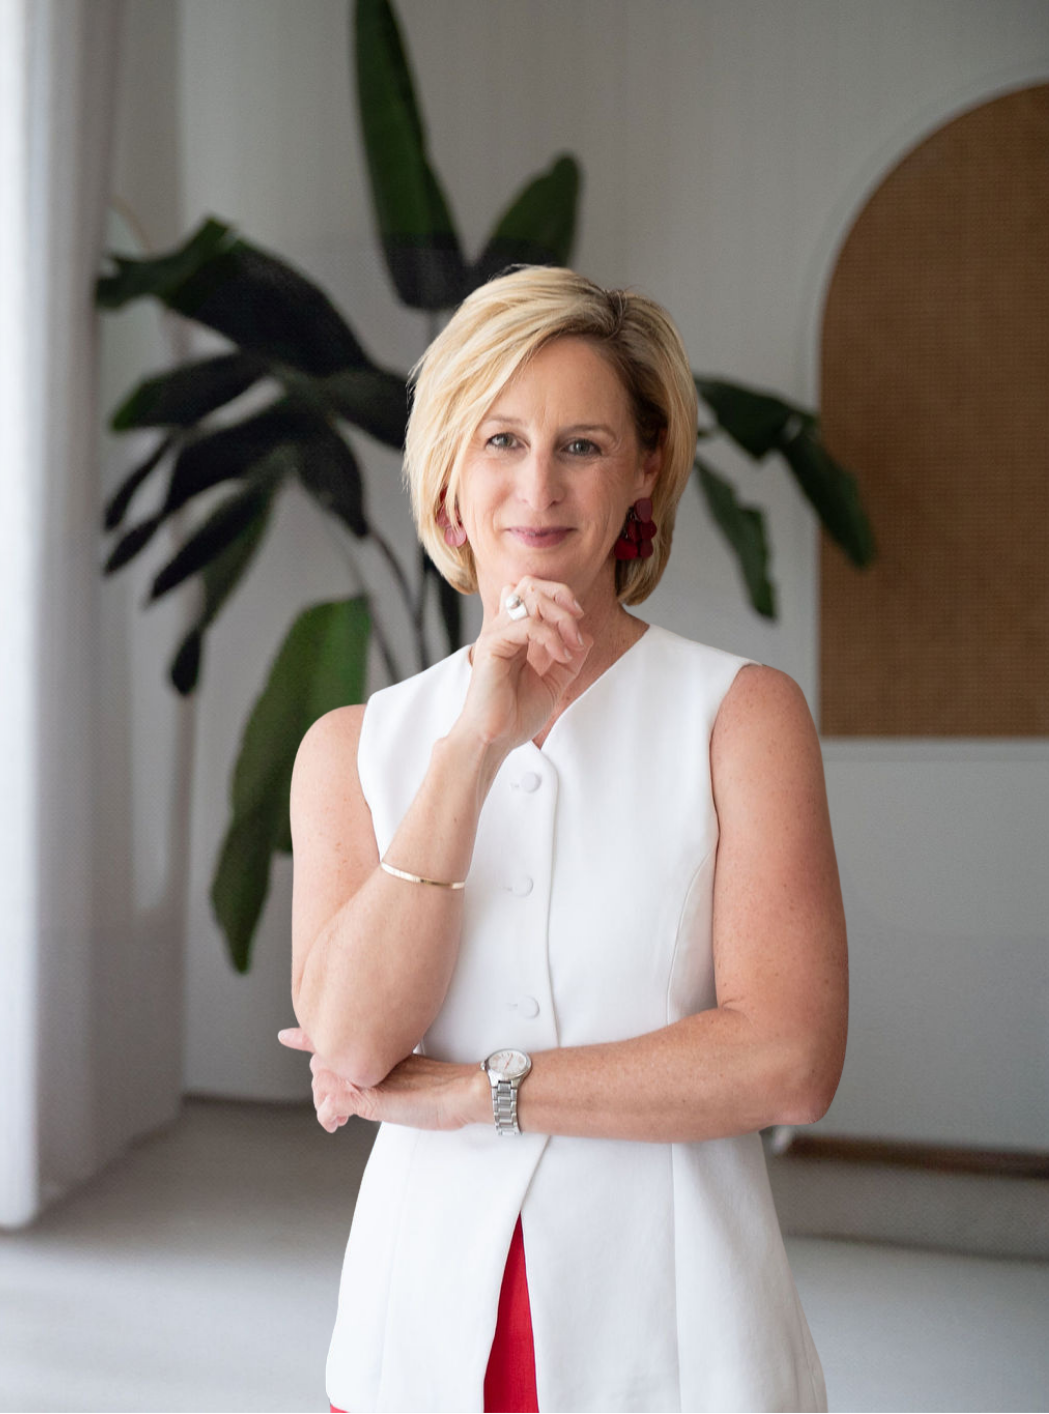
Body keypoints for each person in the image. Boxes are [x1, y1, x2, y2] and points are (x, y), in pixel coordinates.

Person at [279, 266, 848, 1412]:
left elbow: (787, 1061)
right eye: (499, 438)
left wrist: (480, 1091)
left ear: (643, 467)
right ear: (447, 464)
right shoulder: (354, 748)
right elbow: (344, 1046)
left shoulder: (739, 715)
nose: (535, 485)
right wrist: (471, 748)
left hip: (681, 1343)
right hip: (416, 1333)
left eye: (581, 444)